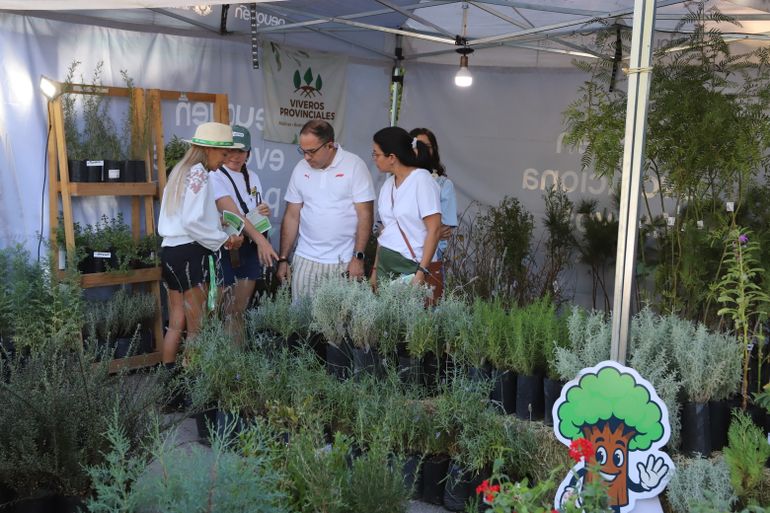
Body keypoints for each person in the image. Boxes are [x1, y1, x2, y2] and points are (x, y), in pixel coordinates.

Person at [158, 121, 244, 369]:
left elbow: (184, 216)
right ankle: (192, 383)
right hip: (191, 253)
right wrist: (224, 239)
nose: (226, 159)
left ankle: (169, 383)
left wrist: (214, 225)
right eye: (223, 153)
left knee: (176, 322)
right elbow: (192, 220)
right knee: (197, 326)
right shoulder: (199, 173)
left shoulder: (180, 171)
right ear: (208, 150)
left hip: (171, 252)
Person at [277, 120, 375, 299]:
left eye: (311, 151)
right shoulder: (300, 168)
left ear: (330, 145)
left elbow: (365, 215)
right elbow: (292, 216)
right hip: (305, 259)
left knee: (338, 324)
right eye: (302, 151)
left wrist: (358, 257)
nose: (306, 157)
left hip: (343, 262)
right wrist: (283, 258)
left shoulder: (355, 166)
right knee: (301, 321)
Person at [209, 125, 278, 343]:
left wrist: (261, 212)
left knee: (237, 311)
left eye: (241, 151)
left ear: (249, 152)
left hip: (247, 248)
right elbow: (232, 214)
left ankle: (236, 366)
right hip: (225, 247)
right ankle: (210, 363)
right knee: (213, 311)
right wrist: (261, 240)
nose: (235, 156)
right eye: (230, 150)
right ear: (223, 150)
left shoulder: (253, 176)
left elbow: (249, 213)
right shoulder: (215, 176)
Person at [369, 126, 441, 289]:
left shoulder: (422, 181)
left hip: (411, 265)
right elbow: (386, 231)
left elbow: (434, 230)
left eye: (377, 154)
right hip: (384, 264)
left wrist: (422, 271)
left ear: (392, 157)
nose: (374, 158)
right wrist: (374, 269)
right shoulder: (387, 185)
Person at [409, 128, 458, 260]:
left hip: (428, 257)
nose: (422, 150)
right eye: (418, 146)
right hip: (396, 256)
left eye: (427, 146)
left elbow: (444, 231)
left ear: (434, 150)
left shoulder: (443, 185)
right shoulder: (395, 181)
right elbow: (382, 225)